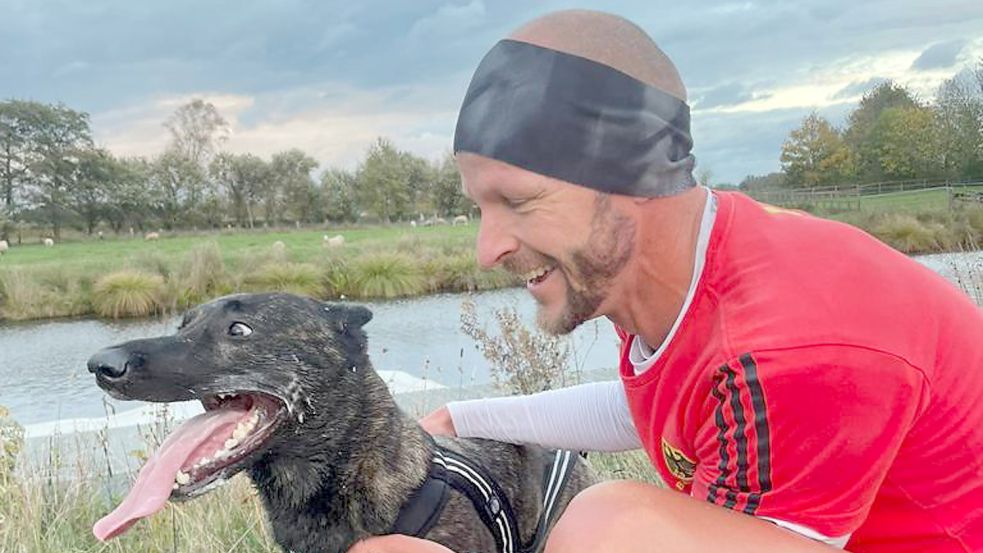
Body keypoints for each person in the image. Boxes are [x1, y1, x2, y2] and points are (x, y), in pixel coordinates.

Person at [351, 10, 983, 553]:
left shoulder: (788, 346)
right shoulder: (696, 265)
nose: (488, 249)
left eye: (517, 200)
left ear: (629, 180)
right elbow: (648, 405)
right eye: (479, 208)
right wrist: (461, 417)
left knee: (611, 529)